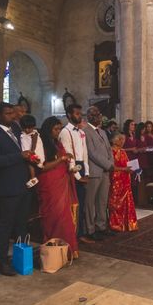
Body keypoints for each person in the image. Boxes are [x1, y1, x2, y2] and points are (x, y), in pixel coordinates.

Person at [0, 102, 32, 276]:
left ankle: (20, 258)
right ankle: (2, 262)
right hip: (9, 186)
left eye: (13, 112)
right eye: (8, 113)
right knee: (6, 225)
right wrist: (19, 156)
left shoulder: (16, 130)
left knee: (22, 224)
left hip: (23, 184)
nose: (12, 116)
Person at [38, 117, 79, 257]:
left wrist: (68, 162)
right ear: (48, 129)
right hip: (50, 184)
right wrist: (61, 159)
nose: (58, 132)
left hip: (62, 182)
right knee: (54, 216)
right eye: (55, 129)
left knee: (65, 217)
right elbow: (43, 167)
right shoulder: (42, 143)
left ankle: (66, 250)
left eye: (59, 129)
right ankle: (53, 249)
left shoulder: (57, 143)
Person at [59, 104, 91, 243]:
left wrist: (87, 172)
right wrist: (78, 176)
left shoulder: (81, 132)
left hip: (81, 166)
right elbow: (68, 156)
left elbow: (85, 153)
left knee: (82, 203)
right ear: (69, 115)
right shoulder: (65, 132)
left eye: (80, 113)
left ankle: (80, 233)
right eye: (77, 113)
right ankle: (74, 234)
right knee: (74, 204)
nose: (80, 116)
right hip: (71, 170)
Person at [83, 106, 115, 241]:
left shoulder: (101, 131)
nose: (99, 116)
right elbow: (92, 152)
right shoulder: (85, 132)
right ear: (89, 116)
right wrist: (108, 164)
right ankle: (90, 229)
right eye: (96, 114)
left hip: (105, 171)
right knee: (90, 202)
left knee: (102, 200)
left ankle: (101, 225)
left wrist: (111, 162)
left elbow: (109, 149)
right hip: (94, 171)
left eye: (99, 114)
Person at [109, 133, 138, 231]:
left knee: (127, 202)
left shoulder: (123, 151)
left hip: (125, 179)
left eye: (123, 139)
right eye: (120, 139)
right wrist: (124, 169)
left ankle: (127, 223)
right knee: (116, 203)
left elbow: (128, 163)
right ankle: (116, 224)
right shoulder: (110, 151)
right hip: (116, 181)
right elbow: (111, 167)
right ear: (114, 140)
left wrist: (131, 168)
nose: (122, 141)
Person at [19, 114, 45, 188]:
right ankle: (33, 178)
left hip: (34, 152)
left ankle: (33, 178)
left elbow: (34, 142)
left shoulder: (34, 134)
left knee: (30, 163)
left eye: (29, 128)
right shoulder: (22, 134)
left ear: (33, 126)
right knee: (29, 163)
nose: (27, 130)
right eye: (25, 128)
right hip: (27, 152)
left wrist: (32, 151)